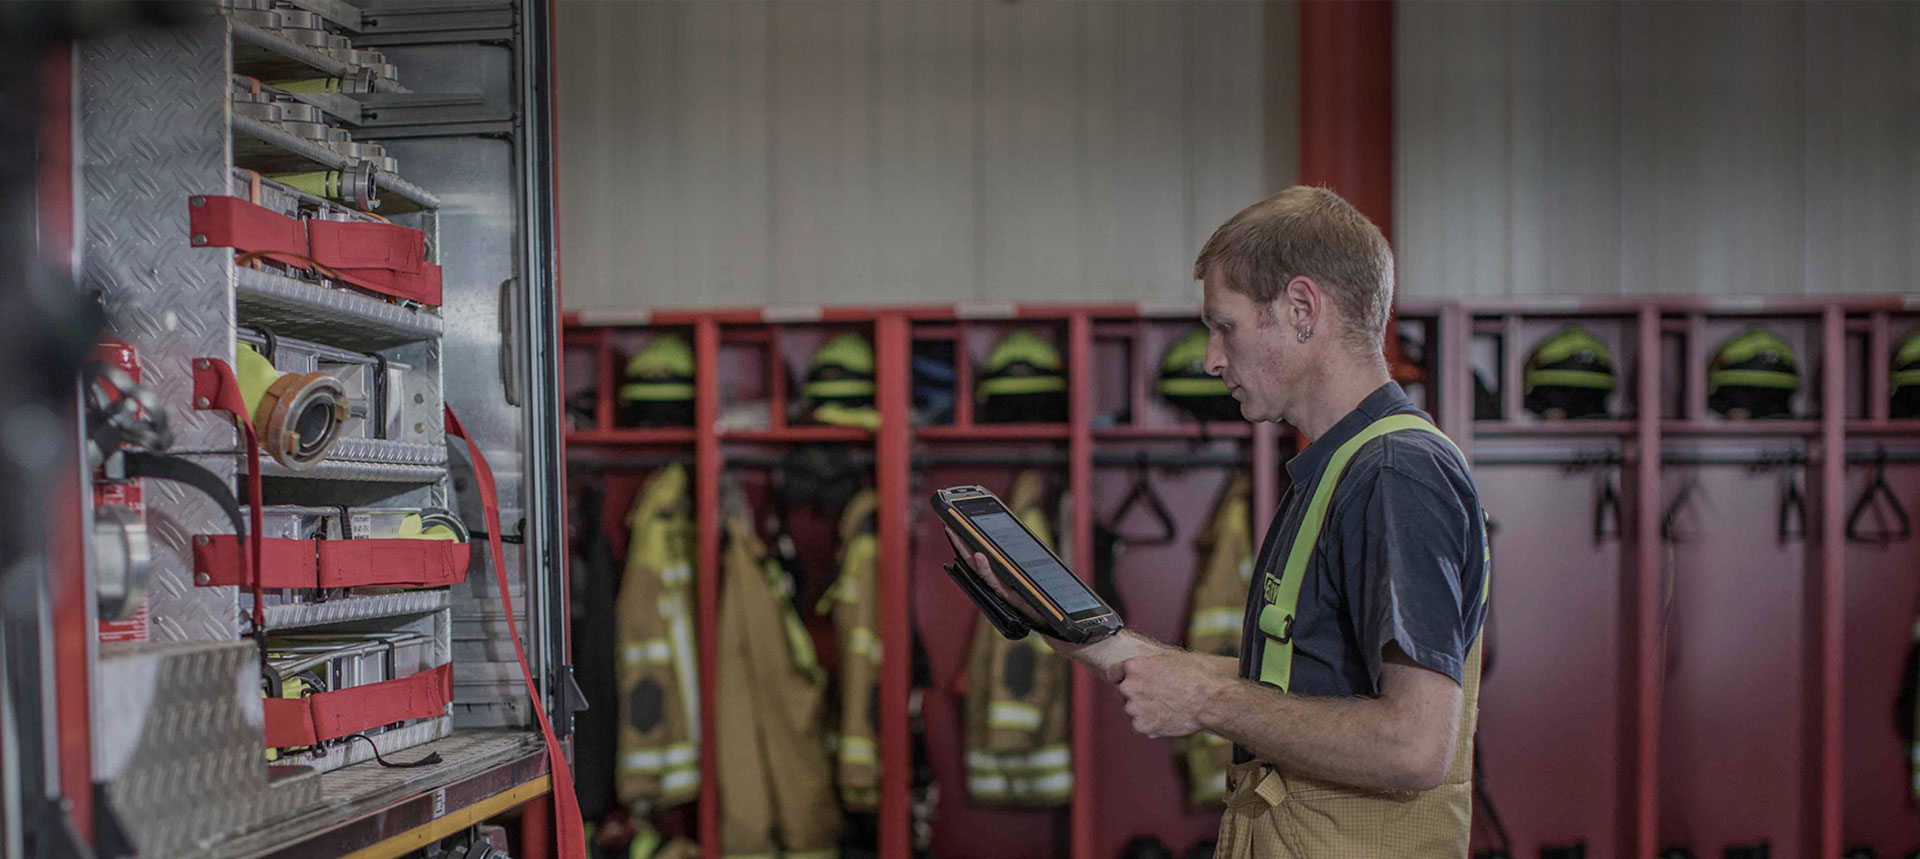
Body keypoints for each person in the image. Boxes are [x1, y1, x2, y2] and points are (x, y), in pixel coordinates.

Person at [949, 186, 1489, 857]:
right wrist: (1074, 635)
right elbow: (1307, 679)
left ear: (1300, 309)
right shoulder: (1341, 466)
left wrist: (1208, 703)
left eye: (1224, 325)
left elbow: (1413, 745)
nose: (1210, 358)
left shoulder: (1393, 471)